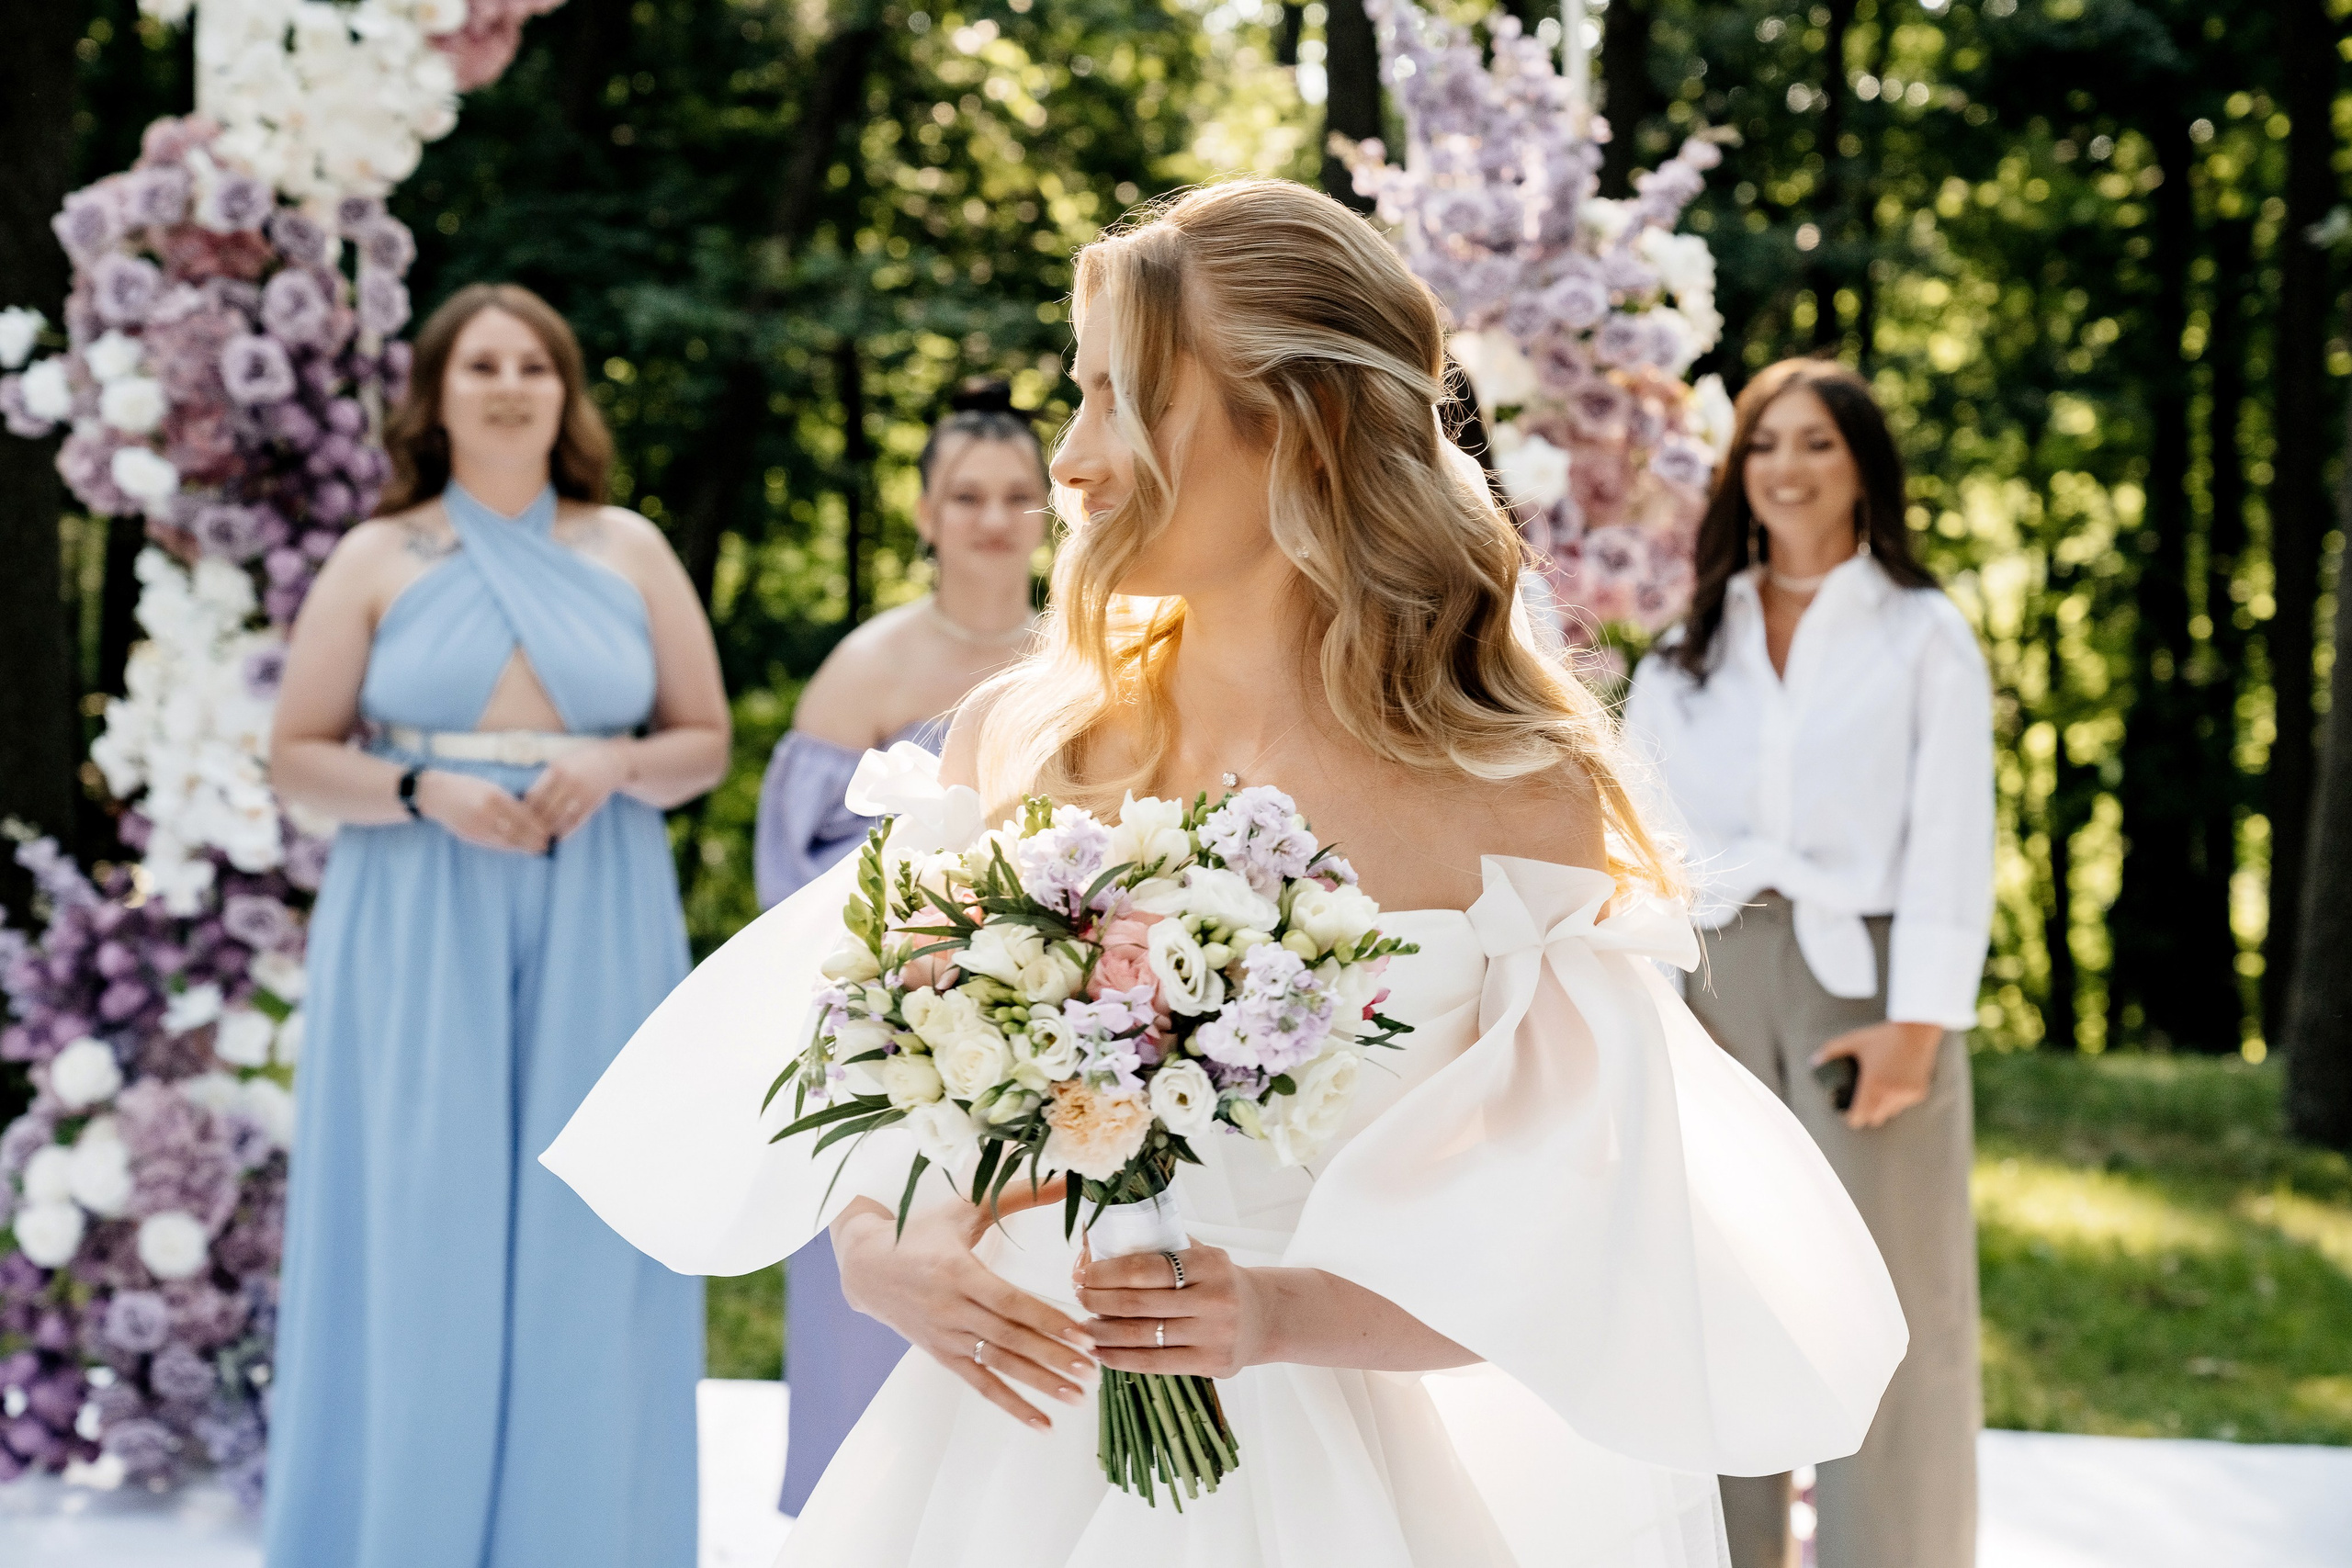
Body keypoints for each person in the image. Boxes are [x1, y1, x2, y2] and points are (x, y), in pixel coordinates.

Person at [544, 181, 1908, 1566]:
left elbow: (1577, 1240)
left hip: (1344, 1489)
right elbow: (878, 1079)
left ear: (1293, 421)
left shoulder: (1512, 796)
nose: (1070, 459)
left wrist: (1276, 1312)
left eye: (1119, 396)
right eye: (1072, 395)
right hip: (1010, 1461)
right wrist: (878, 1234)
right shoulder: (1027, 742)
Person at [263, 283, 729, 1568]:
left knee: (591, 1213)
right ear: (438, 391)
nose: (511, 383)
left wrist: (617, 765)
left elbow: (705, 740)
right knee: (425, 1217)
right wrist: (423, 788)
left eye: (536, 362)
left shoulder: (628, 546)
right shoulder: (377, 555)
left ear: (567, 393)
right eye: (483, 363)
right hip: (417, 905)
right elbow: (297, 755)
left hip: (598, 895)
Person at [1621, 357, 1993, 1568]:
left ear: (1863, 468)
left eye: (1820, 443)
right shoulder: (1686, 650)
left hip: (1864, 985)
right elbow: (1638, 834)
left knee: (1889, 1305)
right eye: (1768, 442)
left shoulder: (1921, 633)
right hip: (1713, 988)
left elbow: (1953, 829)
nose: (1790, 466)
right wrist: (1653, 1019)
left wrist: (1921, 1021)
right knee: (1728, 1296)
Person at [752, 378, 1048, 1514]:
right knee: (869, 1295)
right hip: (896, 1028)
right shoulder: (867, 669)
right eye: (966, 495)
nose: (989, 517)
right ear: (924, 511)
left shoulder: (1079, 654)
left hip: (1041, 1022)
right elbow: (791, 872)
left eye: (1015, 495)